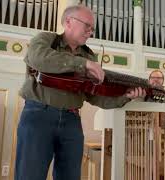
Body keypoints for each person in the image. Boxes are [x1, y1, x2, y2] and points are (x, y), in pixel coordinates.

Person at [15, 5, 146, 180]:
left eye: (92, 29)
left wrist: (125, 97)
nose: (90, 32)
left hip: (72, 121)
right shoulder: (45, 40)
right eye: (87, 26)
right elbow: (40, 59)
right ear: (69, 22)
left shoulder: (89, 56)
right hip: (39, 115)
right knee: (29, 175)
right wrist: (82, 64)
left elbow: (95, 95)